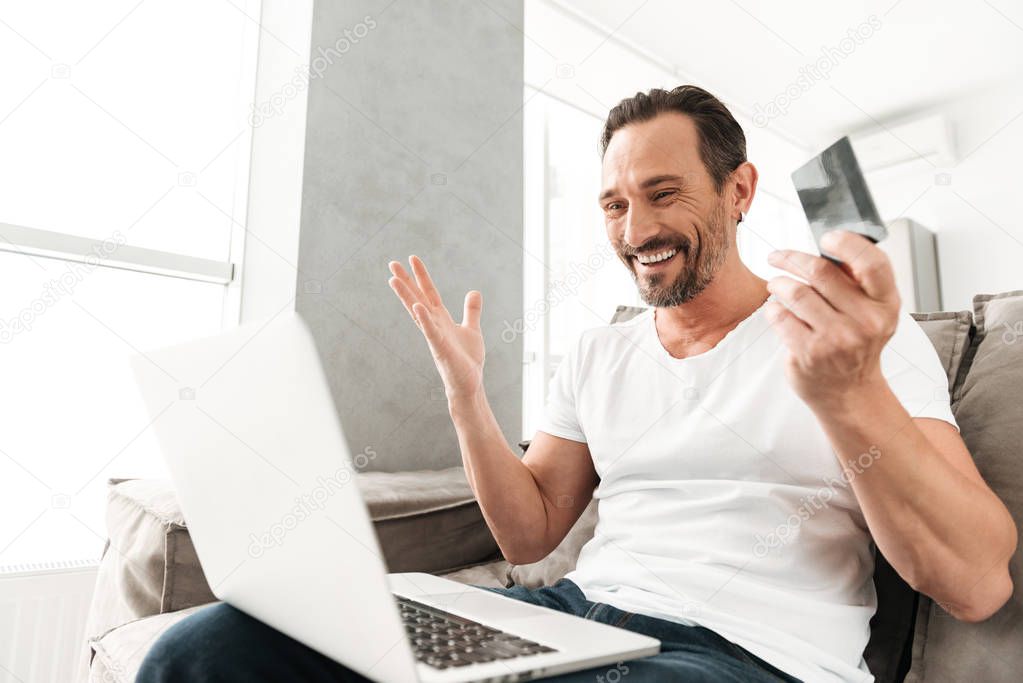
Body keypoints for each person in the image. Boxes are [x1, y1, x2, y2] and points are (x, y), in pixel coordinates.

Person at [138, 85, 1016, 683]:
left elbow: (975, 582)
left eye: (664, 193)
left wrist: (841, 391)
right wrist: (466, 394)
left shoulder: (853, 339)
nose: (635, 229)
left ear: (739, 189)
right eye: (612, 203)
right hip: (576, 619)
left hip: (746, 653)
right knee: (205, 651)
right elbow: (526, 536)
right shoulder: (601, 353)